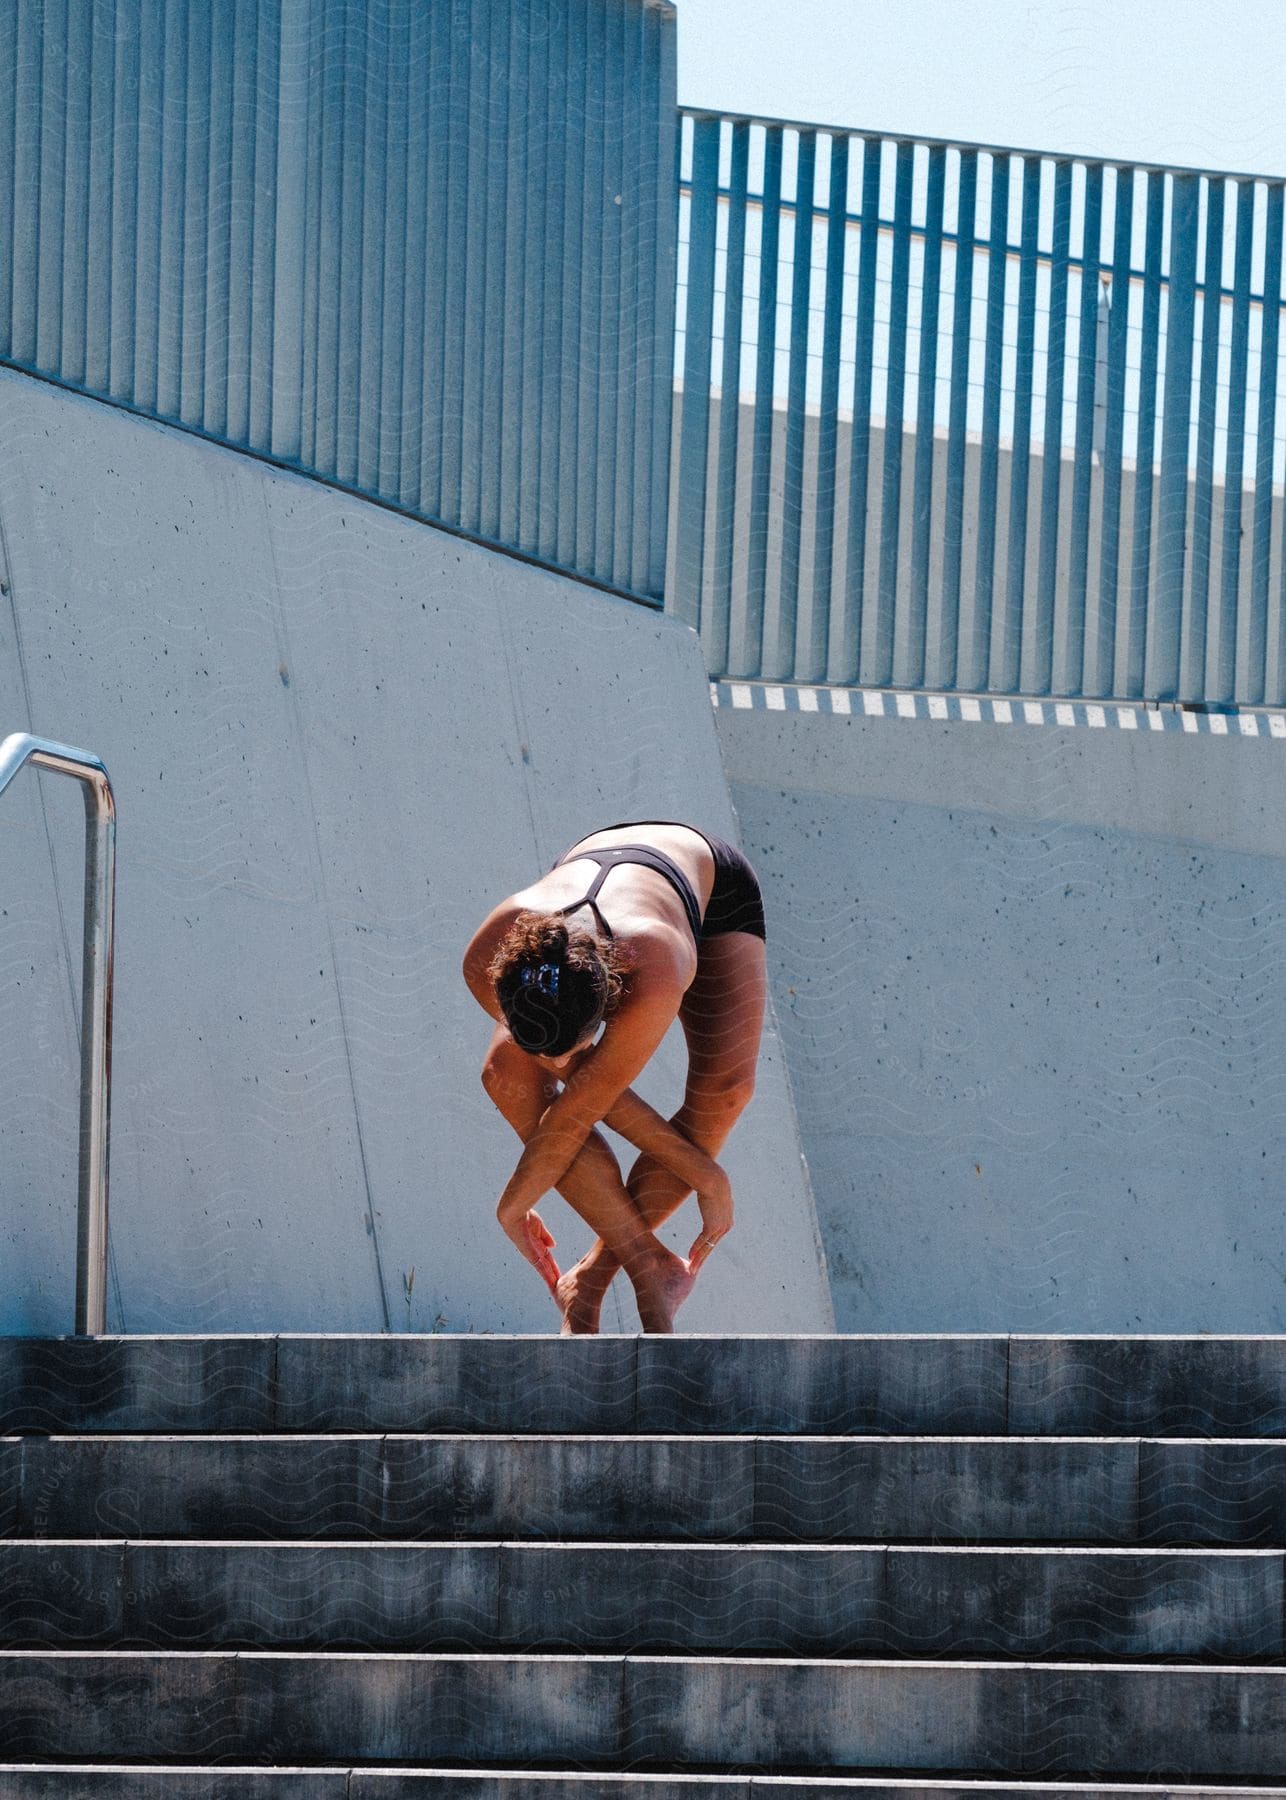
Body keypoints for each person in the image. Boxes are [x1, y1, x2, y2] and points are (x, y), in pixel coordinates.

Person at [461, 820, 768, 1333]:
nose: (560, 1068)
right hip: (582, 892)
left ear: (608, 1008)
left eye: (572, 1054)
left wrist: (516, 1201)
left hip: (707, 892)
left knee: (727, 1090)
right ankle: (648, 1262)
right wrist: (704, 1176)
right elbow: (578, 1105)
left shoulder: (653, 967)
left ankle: (596, 1276)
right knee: (505, 1076)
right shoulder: (487, 955)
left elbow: (583, 1107)